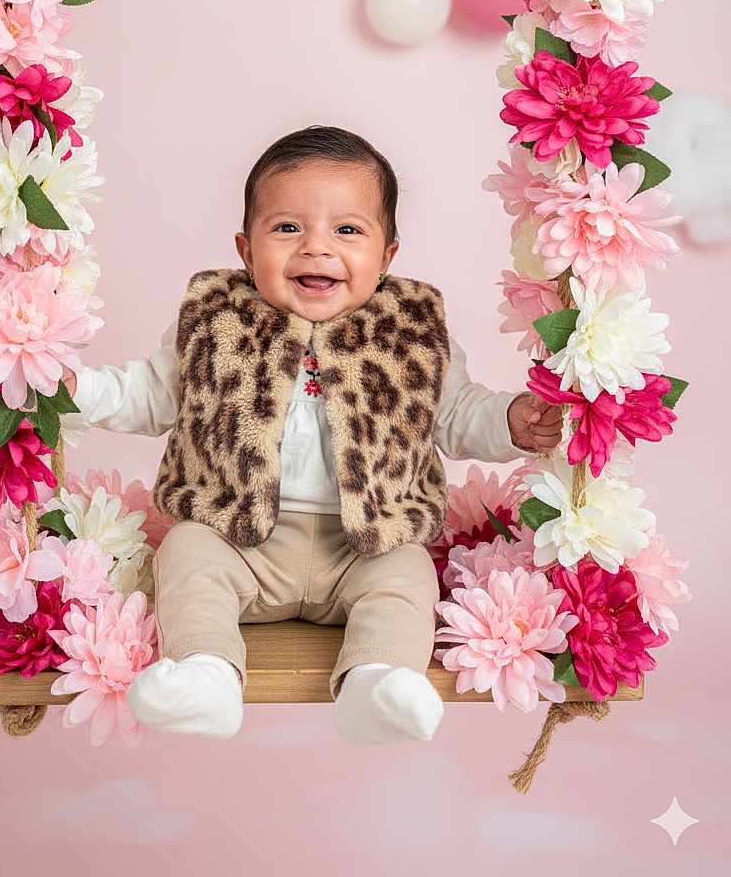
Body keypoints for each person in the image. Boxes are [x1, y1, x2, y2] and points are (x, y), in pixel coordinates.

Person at [63, 125, 563, 744]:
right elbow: (149, 391)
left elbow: (457, 412)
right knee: (187, 552)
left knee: (409, 573)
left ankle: (377, 681)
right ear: (247, 251)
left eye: (347, 230)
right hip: (239, 540)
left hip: (363, 548)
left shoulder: (410, 335)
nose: (316, 248)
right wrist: (76, 390)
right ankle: (206, 673)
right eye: (287, 228)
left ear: (386, 256)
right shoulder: (217, 322)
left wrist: (511, 420)